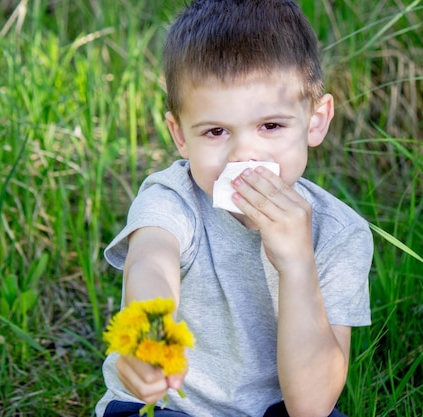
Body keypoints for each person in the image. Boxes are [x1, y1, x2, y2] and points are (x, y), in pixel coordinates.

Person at [96, 0, 373, 416]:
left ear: (316, 120)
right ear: (180, 136)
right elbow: (151, 262)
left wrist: (298, 264)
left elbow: (311, 406)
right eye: (216, 131)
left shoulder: (339, 233)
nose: (244, 153)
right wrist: (148, 334)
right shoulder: (173, 197)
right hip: (168, 407)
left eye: (271, 125)